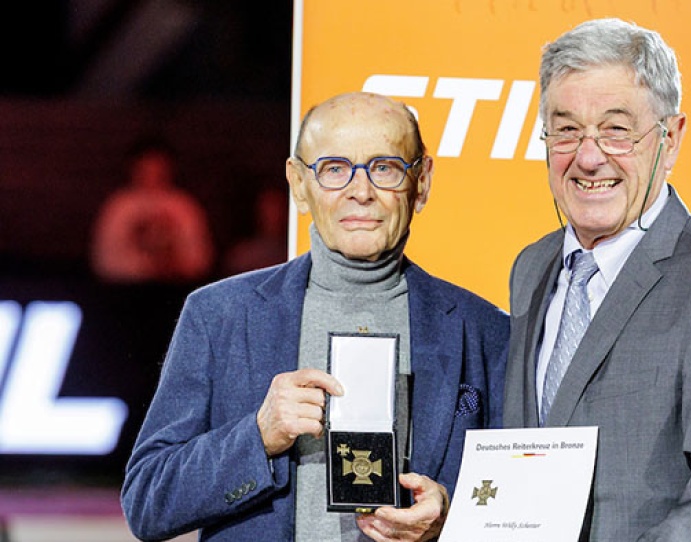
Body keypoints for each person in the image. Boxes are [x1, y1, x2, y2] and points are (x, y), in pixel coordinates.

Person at [121, 92, 509, 542]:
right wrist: (258, 437)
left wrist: (452, 514)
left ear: (420, 182)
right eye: (334, 169)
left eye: (384, 168)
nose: (360, 192)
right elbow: (148, 502)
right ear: (298, 184)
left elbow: (525, 500)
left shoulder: (483, 330)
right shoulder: (219, 315)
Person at [502, 18, 691, 541]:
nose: (589, 156)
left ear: (671, 138)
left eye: (617, 129)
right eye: (566, 128)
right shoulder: (532, 268)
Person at [90, 137, 214, 283]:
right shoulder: (119, 207)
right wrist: (145, 268)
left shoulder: (184, 206)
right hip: (128, 292)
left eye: (158, 165)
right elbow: (104, 260)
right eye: (146, 166)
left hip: (176, 289)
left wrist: (175, 266)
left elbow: (200, 257)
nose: (153, 172)